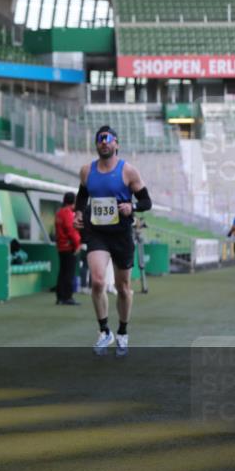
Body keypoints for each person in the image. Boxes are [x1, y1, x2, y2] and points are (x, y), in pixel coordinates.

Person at [73, 126, 152, 357]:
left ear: (116, 143)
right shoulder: (87, 171)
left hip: (121, 234)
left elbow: (147, 201)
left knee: (123, 288)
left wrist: (132, 206)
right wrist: (78, 214)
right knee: (97, 282)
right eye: (100, 140)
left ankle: (123, 332)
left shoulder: (128, 171)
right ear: (96, 145)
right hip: (97, 233)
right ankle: (104, 330)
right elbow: (82, 196)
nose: (104, 144)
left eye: (108, 140)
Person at [55, 192, 81, 305]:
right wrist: (77, 245)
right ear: (73, 201)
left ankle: (60, 297)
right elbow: (71, 231)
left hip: (61, 246)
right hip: (69, 246)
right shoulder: (68, 213)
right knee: (69, 273)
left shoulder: (59, 213)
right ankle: (67, 297)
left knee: (62, 272)